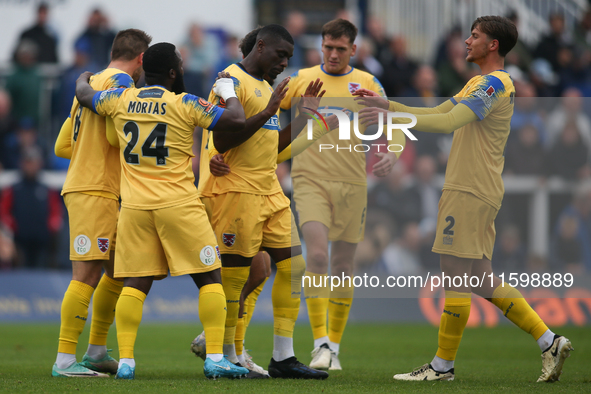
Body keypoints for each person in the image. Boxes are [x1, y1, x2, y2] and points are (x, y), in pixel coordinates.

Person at [354, 15, 573, 382]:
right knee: (481, 278)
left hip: (469, 189)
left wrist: (389, 110)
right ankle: (549, 341)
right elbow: (441, 111)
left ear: (492, 46)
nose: (466, 42)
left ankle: (442, 366)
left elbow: (446, 123)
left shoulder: (492, 85)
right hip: (480, 188)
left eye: (474, 36)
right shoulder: (481, 82)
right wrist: (389, 105)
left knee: (453, 274)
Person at [74, 42, 248, 380]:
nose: (182, 68)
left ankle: (125, 361)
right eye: (180, 64)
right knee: (210, 277)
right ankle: (215, 358)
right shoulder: (184, 103)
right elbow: (236, 120)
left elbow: (84, 95)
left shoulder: (120, 100)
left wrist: (85, 76)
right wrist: (227, 90)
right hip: (179, 204)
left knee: (135, 283)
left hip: (135, 207)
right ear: (173, 72)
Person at [197, 24, 329, 380]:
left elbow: (274, 147)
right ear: (260, 46)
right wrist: (271, 108)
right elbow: (222, 140)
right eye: (280, 54)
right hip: (236, 191)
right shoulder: (230, 80)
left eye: (289, 57)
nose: (285, 62)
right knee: (236, 278)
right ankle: (225, 355)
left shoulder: (267, 87)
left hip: (269, 190)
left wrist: (303, 118)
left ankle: (283, 357)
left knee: (293, 267)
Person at [279, 18, 403, 371]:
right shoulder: (302, 80)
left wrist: (392, 152)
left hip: (352, 183)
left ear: (354, 49)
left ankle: (334, 346)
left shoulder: (366, 82)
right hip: (309, 179)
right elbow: (271, 112)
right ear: (321, 46)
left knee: (344, 264)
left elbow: (393, 120)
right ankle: (319, 344)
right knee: (317, 257)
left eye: (340, 49)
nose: (332, 54)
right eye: (327, 47)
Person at [52, 29, 152, 378]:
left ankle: (95, 351)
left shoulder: (89, 82)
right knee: (87, 274)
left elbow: (62, 146)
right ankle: (65, 360)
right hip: (95, 190)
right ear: (141, 59)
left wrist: (90, 154)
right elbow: (115, 134)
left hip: (92, 185)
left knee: (116, 270)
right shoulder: (125, 84)